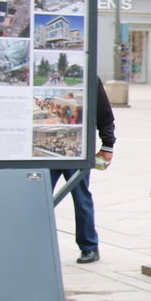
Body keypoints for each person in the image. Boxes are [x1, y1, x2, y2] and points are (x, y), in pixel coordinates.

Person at [50, 78, 115, 264]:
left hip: (77, 150)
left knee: (81, 198)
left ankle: (89, 246)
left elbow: (105, 114)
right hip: (46, 150)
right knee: (39, 200)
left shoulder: (89, 76)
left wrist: (108, 145)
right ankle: (35, 242)